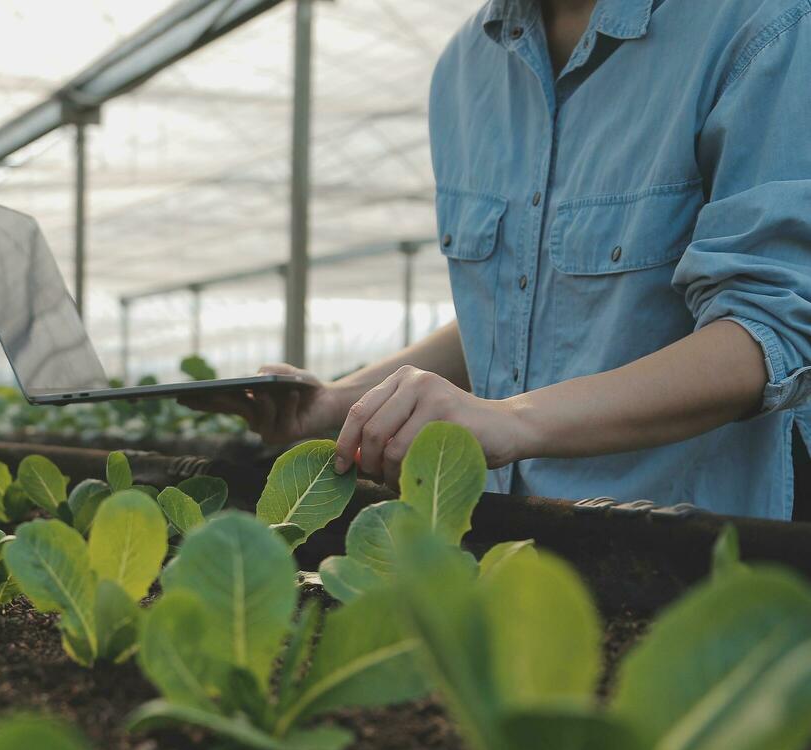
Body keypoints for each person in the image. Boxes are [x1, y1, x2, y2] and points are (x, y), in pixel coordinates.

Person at [187, 0, 811, 521]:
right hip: (488, 544)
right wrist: (341, 400)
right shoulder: (465, 70)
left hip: (681, 561)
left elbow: (765, 335)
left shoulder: (760, 27)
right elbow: (518, 309)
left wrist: (510, 421)